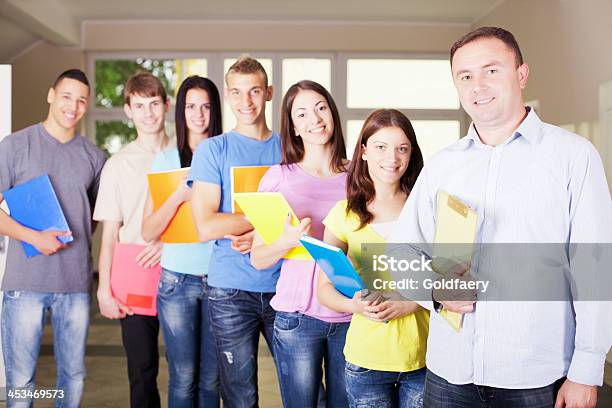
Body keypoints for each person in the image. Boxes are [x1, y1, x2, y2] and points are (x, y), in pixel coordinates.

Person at [389, 27, 612, 408]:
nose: (478, 85)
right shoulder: (442, 166)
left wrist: (586, 371)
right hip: (449, 375)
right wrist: (434, 292)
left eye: (491, 71)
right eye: (465, 76)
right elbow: (401, 254)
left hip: (535, 378)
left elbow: (597, 269)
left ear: (521, 74)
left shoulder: (574, 157)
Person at [0, 69, 106, 407]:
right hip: (24, 284)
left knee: (72, 377)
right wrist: (34, 236)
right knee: (21, 380)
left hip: (75, 285)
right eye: (66, 96)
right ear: (51, 95)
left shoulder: (95, 157)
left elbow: (93, 217)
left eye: (81, 100)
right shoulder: (15, 145)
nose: (72, 106)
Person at [317, 109, 430, 408]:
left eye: (402, 148)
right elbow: (324, 289)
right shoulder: (344, 214)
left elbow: (453, 278)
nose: (392, 157)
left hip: (423, 358)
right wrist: (354, 305)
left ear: (411, 154)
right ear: (364, 151)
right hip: (366, 361)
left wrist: (412, 302)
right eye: (381, 147)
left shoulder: (427, 208)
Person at [250, 80, 350, 407]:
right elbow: (258, 258)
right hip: (298, 319)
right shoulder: (278, 178)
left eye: (320, 108)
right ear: (292, 127)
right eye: (302, 113)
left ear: (332, 113)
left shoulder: (358, 176)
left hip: (350, 313)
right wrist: (285, 241)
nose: (315, 119)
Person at [189, 55, 281, 407]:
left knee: (302, 392)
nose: (247, 102)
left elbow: (305, 216)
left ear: (268, 93)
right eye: (238, 93)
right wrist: (269, 221)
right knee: (240, 396)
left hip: (283, 285)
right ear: (228, 96)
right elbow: (206, 225)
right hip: (230, 290)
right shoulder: (214, 150)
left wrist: (254, 228)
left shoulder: (290, 148)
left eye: (255, 91)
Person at [141, 75, 222, 407]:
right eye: (191, 106)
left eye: (205, 106)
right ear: (181, 111)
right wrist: (177, 196)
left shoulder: (225, 155)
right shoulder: (166, 161)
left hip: (221, 281)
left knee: (211, 380)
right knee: (183, 377)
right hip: (177, 282)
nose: (198, 115)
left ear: (215, 110)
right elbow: (148, 231)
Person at [94, 71, 169, 408]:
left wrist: (169, 245)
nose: (148, 113)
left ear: (166, 105)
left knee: (190, 370)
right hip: (134, 271)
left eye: (154, 104)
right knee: (142, 370)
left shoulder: (188, 156)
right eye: (140, 105)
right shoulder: (118, 164)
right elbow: (110, 233)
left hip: (182, 270)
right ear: (128, 110)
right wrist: (103, 289)